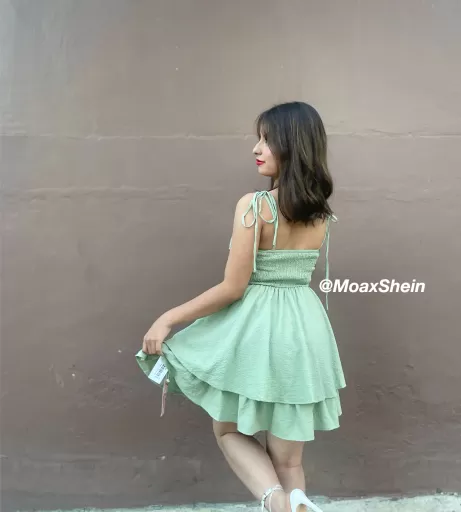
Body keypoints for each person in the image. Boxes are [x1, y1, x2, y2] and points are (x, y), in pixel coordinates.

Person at [136, 101, 346, 512]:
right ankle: (296, 502)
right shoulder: (321, 214)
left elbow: (233, 288)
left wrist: (168, 318)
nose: (257, 148)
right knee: (289, 460)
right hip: (305, 330)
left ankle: (276, 502)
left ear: (293, 145)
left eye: (267, 139)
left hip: (258, 331)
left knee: (229, 431)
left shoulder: (256, 206)